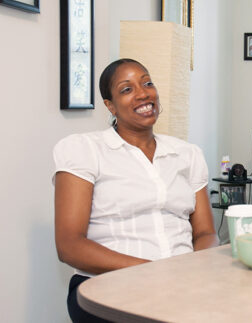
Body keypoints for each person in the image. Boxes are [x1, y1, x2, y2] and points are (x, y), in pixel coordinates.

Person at [53, 58, 218, 322]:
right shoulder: (84, 150)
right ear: (110, 106)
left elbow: (206, 232)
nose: (143, 93)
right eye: (126, 89)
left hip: (184, 284)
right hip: (108, 286)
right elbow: (69, 246)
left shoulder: (187, 154)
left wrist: (193, 270)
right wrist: (154, 271)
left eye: (147, 83)